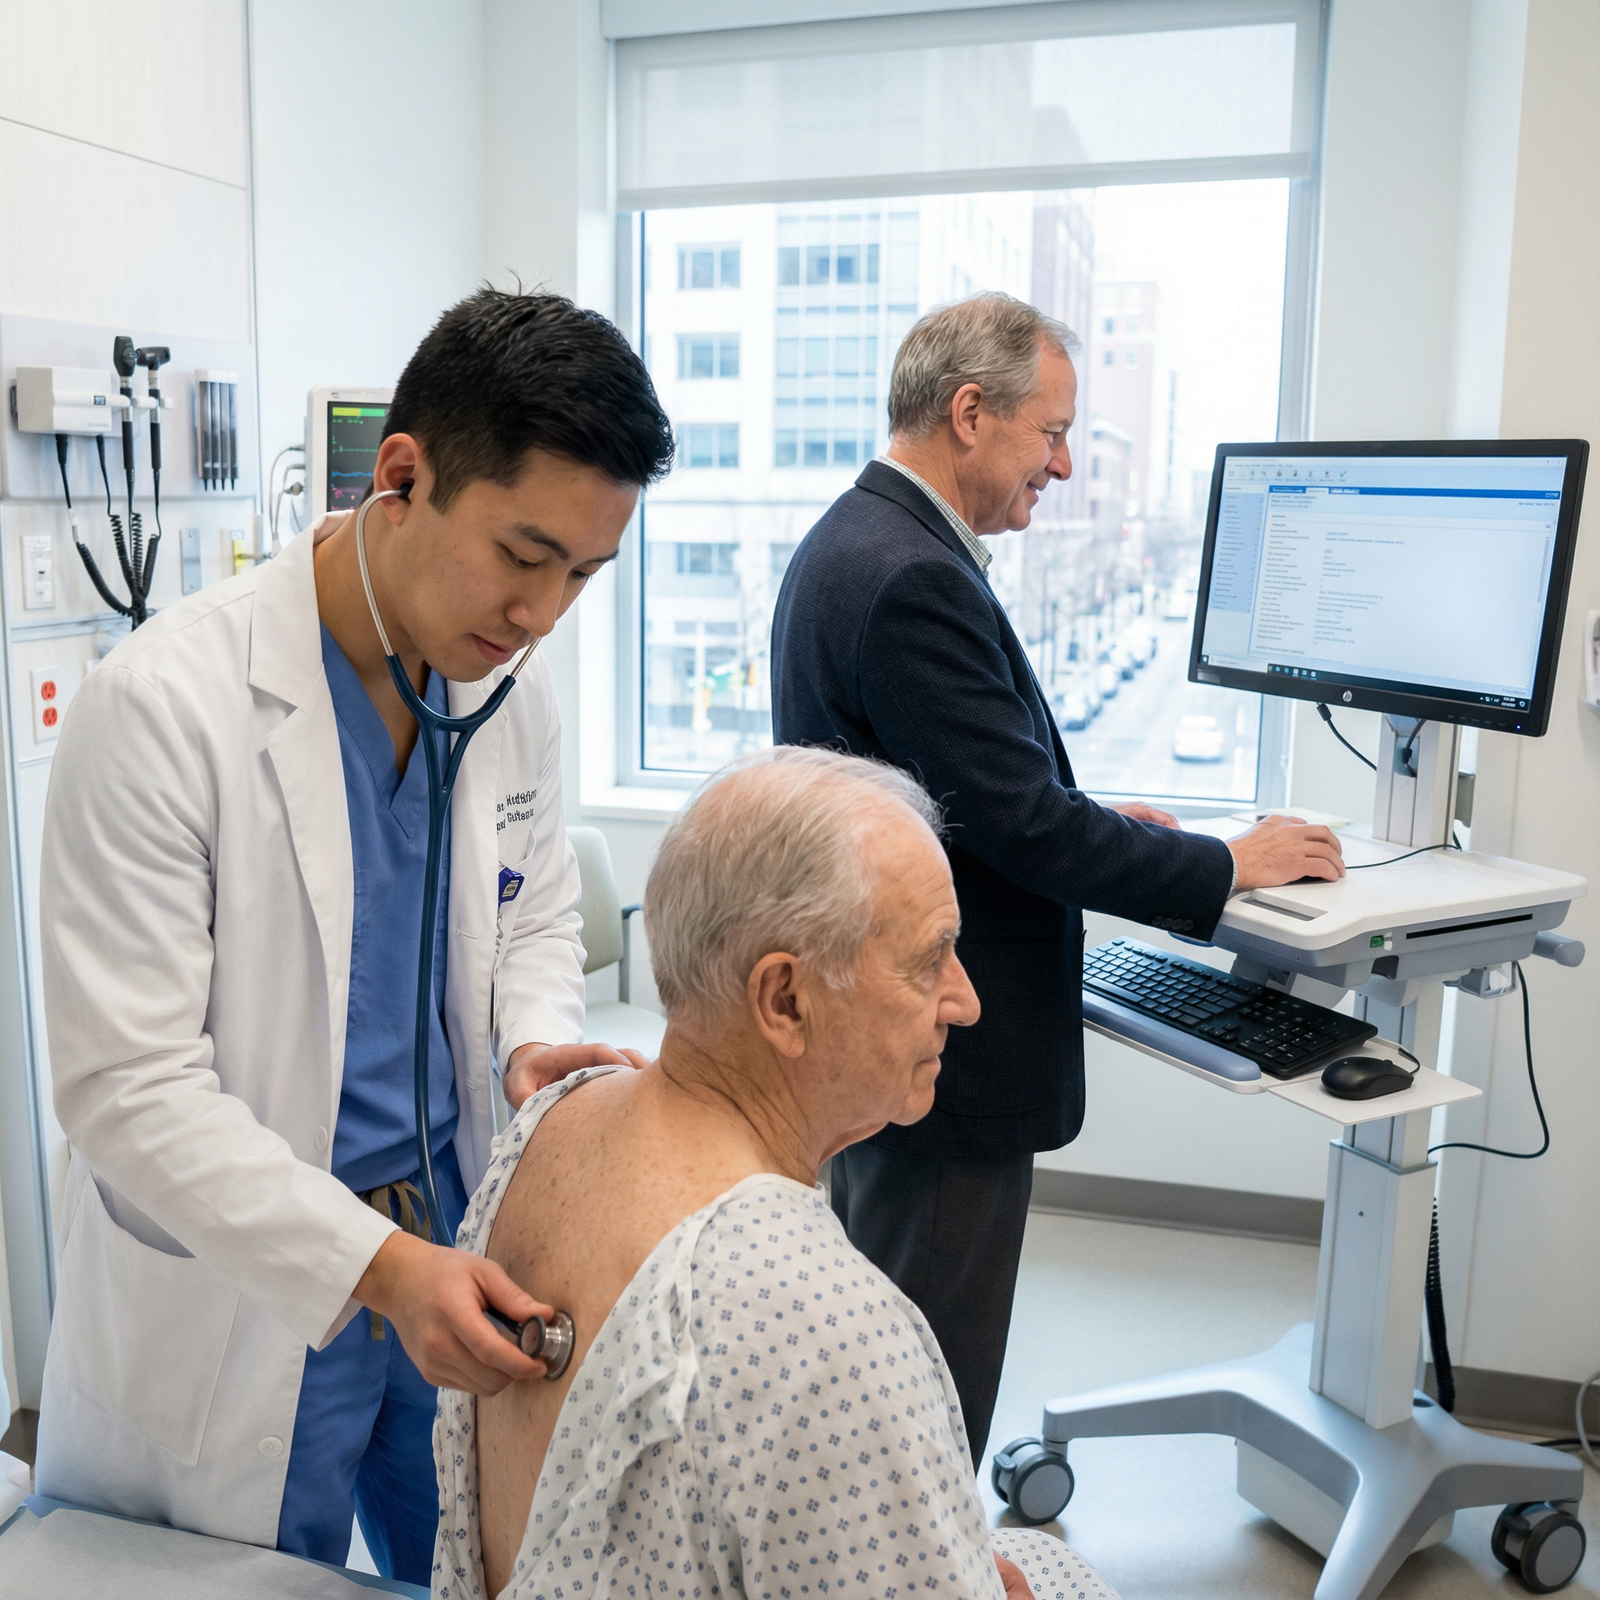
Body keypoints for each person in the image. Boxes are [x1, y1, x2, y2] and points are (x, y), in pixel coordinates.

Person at [33, 289, 675, 1581]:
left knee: (467, 1562)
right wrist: (372, 1266)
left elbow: (537, 906)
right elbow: (128, 1091)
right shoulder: (160, 712)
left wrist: (537, 1038)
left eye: (585, 577)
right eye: (525, 554)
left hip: (447, 1242)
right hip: (259, 1275)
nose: (545, 612)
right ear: (403, 474)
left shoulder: (506, 685)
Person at [767, 292, 1345, 1461]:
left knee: (889, 1349)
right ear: (970, 413)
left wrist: (1077, 813)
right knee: (920, 1384)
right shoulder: (910, 574)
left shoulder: (866, 540)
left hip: (892, 1028)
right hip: (942, 1049)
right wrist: (1226, 864)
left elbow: (968, 799)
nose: (1068, 465)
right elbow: (1023, 827)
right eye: (1052, 433)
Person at [434, 746, 1118, 1600]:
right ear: (785, 1000)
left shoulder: (549, 1121)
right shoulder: (834, 1333)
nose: (965, 1000)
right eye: (929, 957)